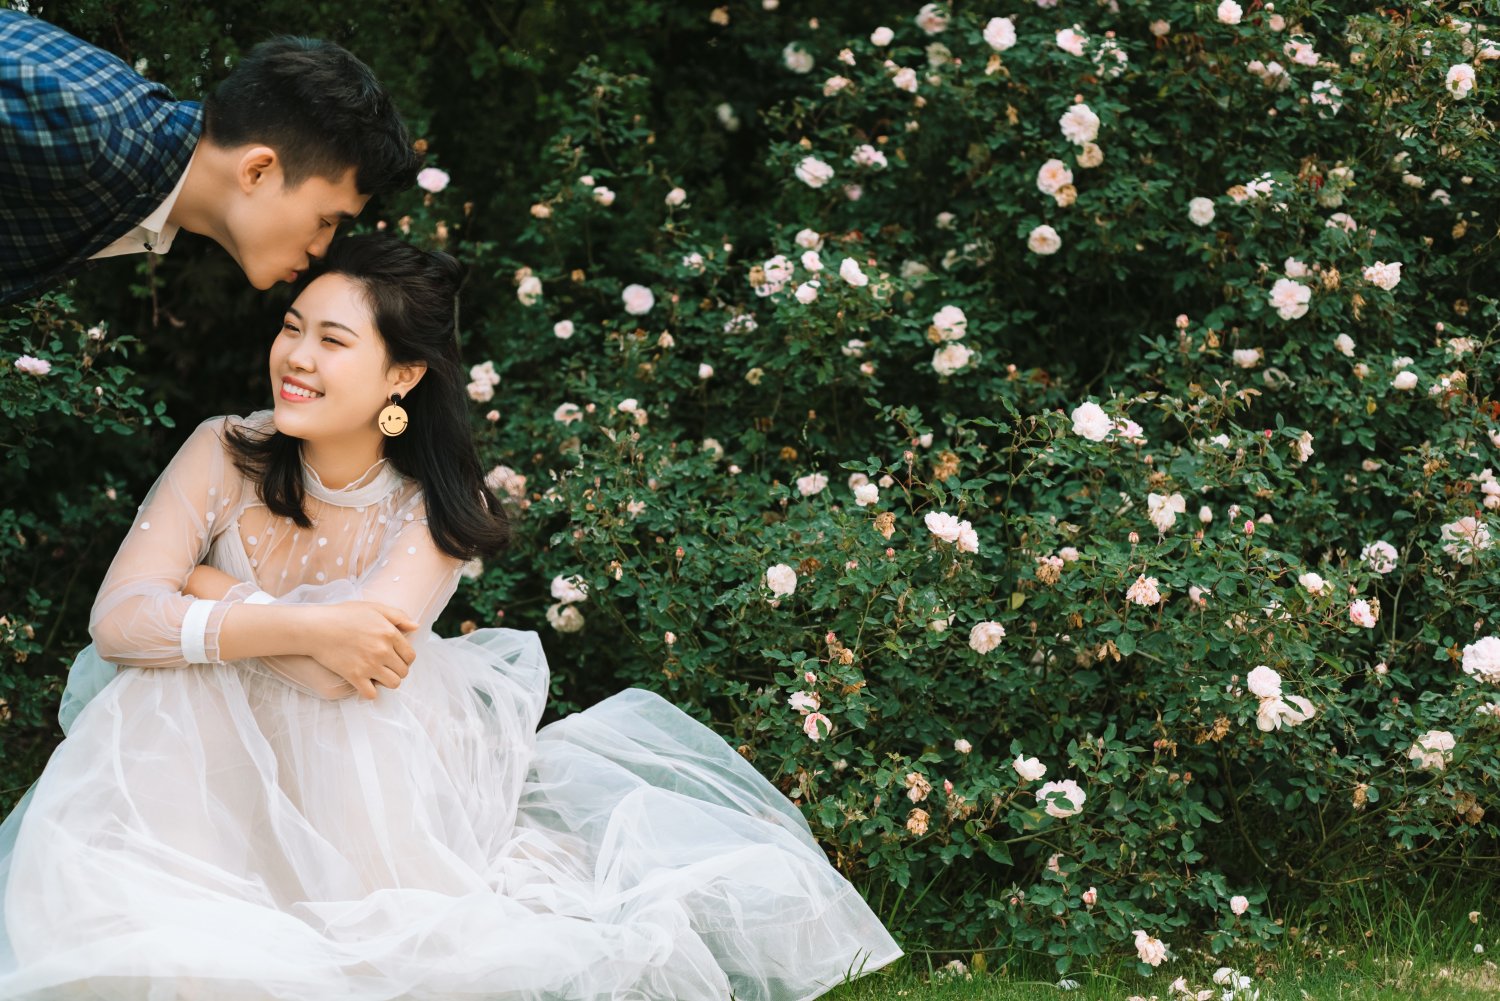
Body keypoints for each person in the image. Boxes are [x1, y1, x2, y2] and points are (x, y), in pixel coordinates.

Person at [0, 235, 902, 1000]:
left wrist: (210, 589)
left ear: (402, 373)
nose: (297, 357)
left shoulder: (433, 503)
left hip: (365, 771)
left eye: (332, 340)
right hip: (216, 770)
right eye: (291, 327)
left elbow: (344, 672)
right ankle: (182, 897)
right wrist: (298, 622)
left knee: (236, 669)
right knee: (164, 686)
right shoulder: (222, 451)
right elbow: (119, 621)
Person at [0, 10, 419, 306]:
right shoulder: (88, 131)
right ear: (257, 171)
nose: (321, 249)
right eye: (326, 222)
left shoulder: (136, 150)